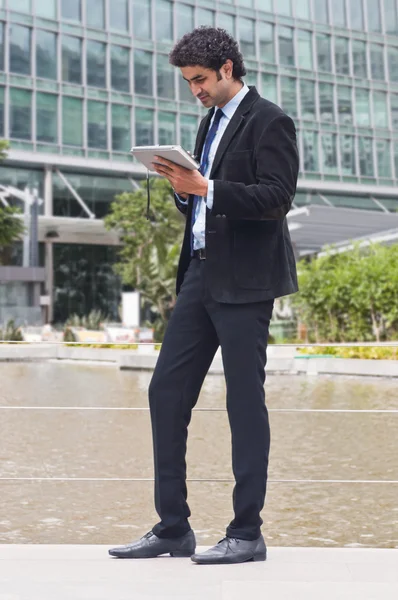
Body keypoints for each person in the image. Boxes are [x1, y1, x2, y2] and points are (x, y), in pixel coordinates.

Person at [109, 26, 299, 565]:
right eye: (189, 82)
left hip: (246, 282)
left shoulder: (271, 120)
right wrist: (182, 189)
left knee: (243, 404)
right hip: (198, 274)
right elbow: (201, 207)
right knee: (165, 394)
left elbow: (276, 197)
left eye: (200, 80)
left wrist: (207, 188)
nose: (195, 90)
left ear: (228, 69)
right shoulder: (209, 122)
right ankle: (173, 528)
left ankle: (246, 533)